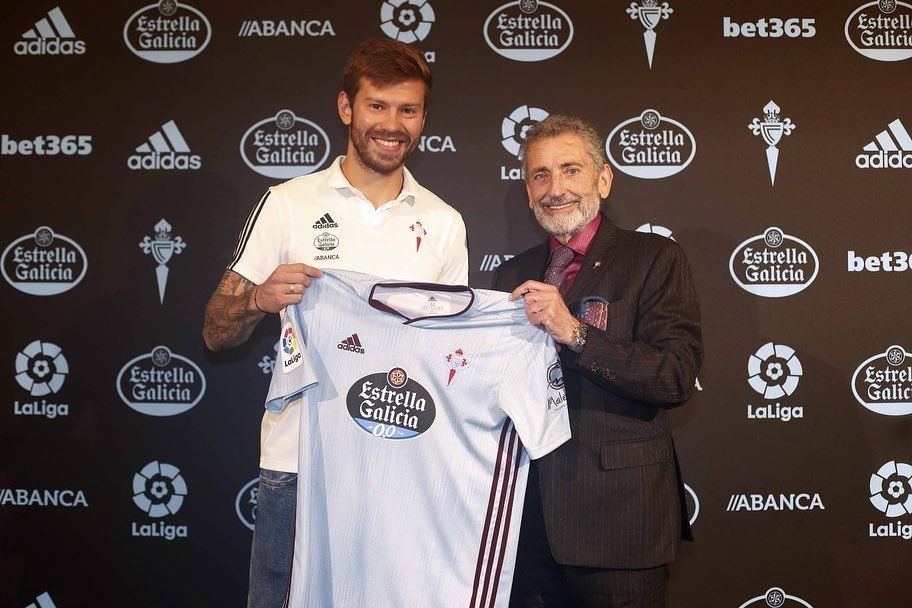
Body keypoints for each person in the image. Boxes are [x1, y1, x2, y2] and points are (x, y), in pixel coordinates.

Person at [202, 39, 468, 608]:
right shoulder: (287, 203)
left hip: (400, 464)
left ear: (423, 119)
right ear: (346, 107)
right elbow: (215, 331)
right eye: (377, 106)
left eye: (408, 109)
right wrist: (258, 300)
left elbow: (451, 358)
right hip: (299, 460)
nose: (392, 124)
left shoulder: (445, 223)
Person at [492, 115, 703, 608]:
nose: (555, 189)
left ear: (603, 179)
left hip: (620, 523)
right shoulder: (510, 274)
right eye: (540, 175)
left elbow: (675, 375)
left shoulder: (654, 258)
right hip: (525, 525)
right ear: (528, 191)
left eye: (571, 170)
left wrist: (576, 333)